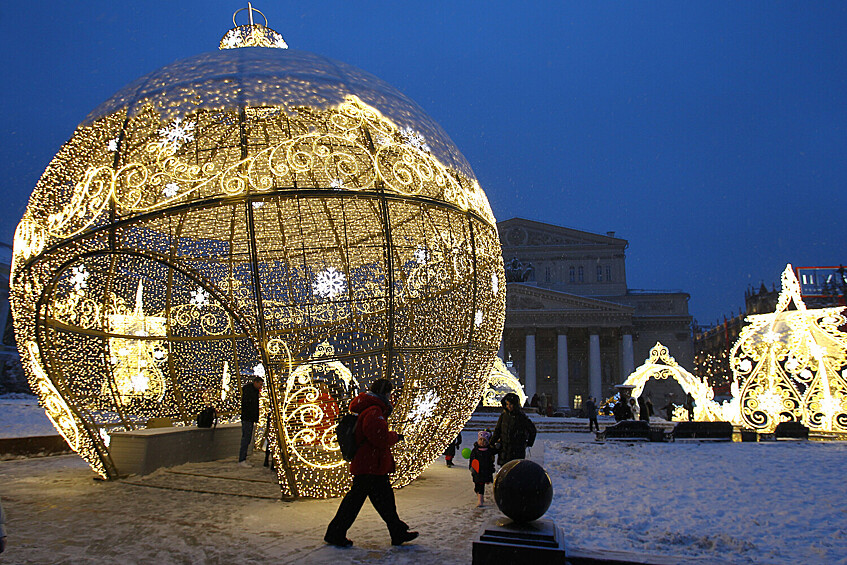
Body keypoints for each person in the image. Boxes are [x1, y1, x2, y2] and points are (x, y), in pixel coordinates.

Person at [325, 379, 418, 548]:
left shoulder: (372, 407)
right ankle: (335, 533)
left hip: (372, 464)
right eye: (389, 393)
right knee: (356, 502)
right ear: (384, 393)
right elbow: (378, 437)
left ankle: (397, 532)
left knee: (385, 501)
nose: (391, 397)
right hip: (369, 464)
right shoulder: (374, 410)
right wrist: (395, 437)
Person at [491, 392, 537, 466]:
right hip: (504, 449)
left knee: (516, 469)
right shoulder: (503, 416)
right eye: (507, 404)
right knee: (505, 469)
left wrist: (528, 443)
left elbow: (532, 430)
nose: (509, 406)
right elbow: (498, 430)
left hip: (517, 449)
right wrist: (492, 442)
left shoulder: (521, 417)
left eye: (511, 404)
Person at [238, 376, 263, 467]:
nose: (260, 386)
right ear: (255, 382)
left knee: (247, 438)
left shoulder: (250, 391)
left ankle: (243, 458)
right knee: (246, 438)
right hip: (248, 418)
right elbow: (249, 405)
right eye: (260, 384)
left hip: (249, 418)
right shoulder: (250, 392)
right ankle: (242, 459)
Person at [469, 431, 497, 507]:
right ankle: (479, 496)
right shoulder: (475, 450)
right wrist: (471, 468)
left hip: (485, 471)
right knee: (477, 486)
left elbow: (494, 453)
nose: (482, 442)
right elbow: (472, 460)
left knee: (481, 485)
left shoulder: (489, 450)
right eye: (481, 440)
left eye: (484, 441)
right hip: (477, 471)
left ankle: (480, 500)